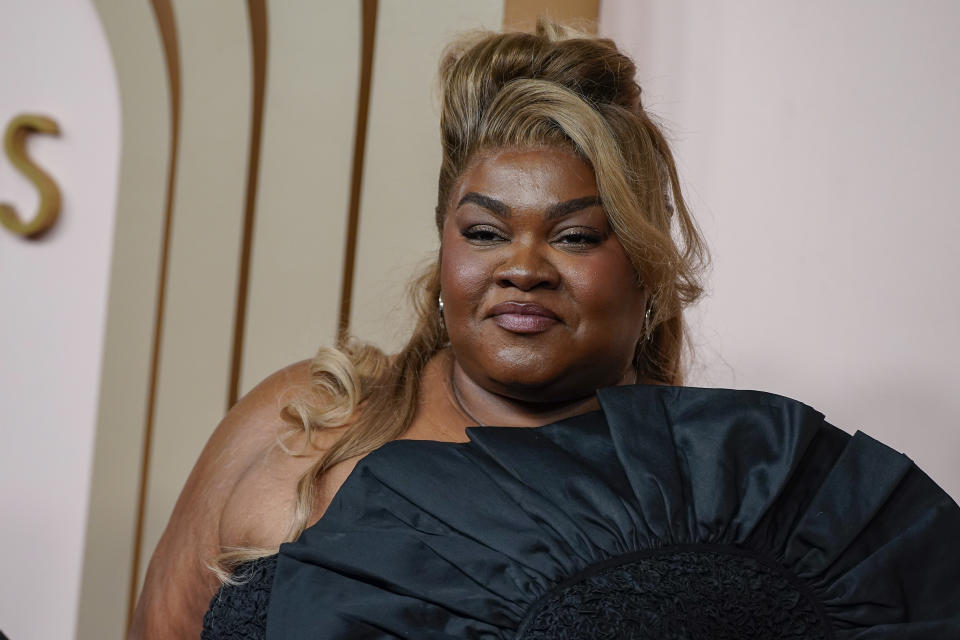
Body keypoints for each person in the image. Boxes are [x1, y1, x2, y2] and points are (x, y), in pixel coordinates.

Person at [130, 21, 960, 639]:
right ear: (446, 245)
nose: (522, 266)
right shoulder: (301, 419)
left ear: (643, 262)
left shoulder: (724, 504)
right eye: (486, 232)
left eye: (573, 235)